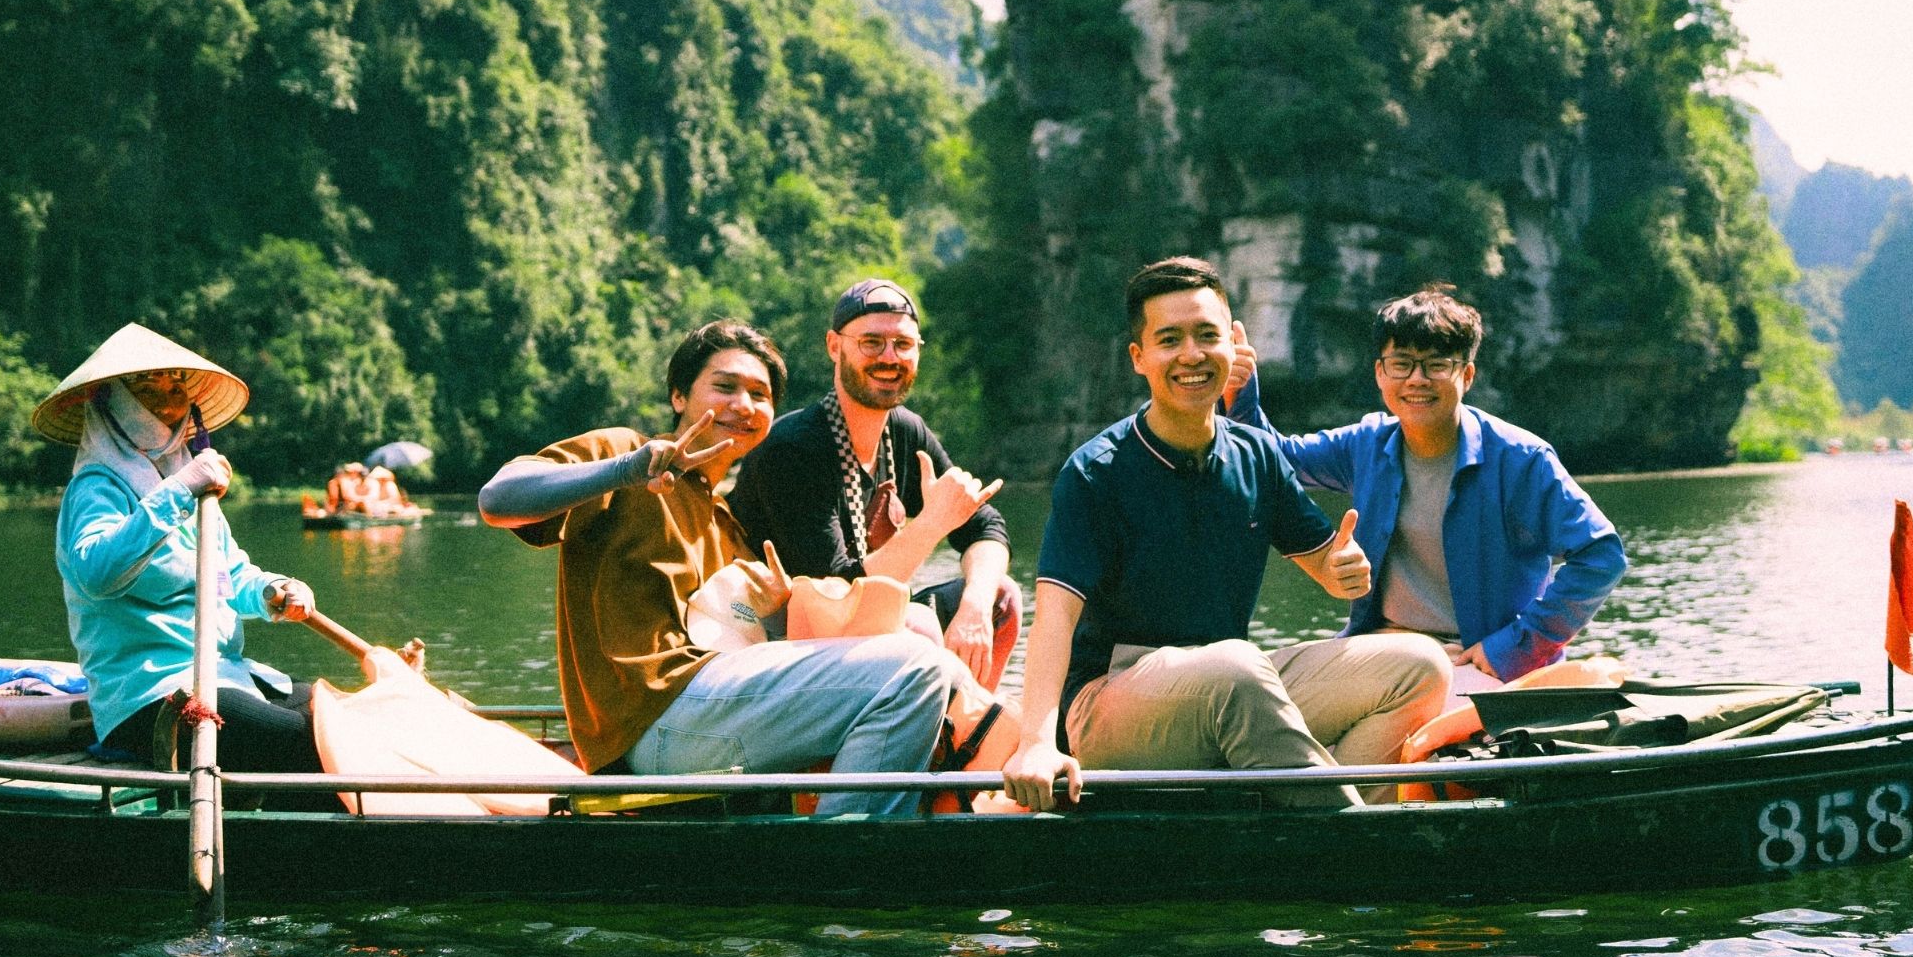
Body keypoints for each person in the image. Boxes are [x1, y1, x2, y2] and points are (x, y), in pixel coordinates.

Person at [1003, 258, 1452, 812]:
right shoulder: (1097, 471)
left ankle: (1321, 815)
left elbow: (1327, 569)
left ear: (1233, 347)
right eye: (1170, 340)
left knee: (1420, 666)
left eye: (1207, 335)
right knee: (1235, 666)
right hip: (1109, 703)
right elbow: (1052, 618)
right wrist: (1035, 744)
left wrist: (1344, 571)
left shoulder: (1256, 455)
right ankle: (1351, 833)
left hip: (1230, 682)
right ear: (1139, 359)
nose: (1191, 354)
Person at [478, 318, 953, 817]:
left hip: (709, 713)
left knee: (917, 633)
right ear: (679, 397)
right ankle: (845, 852)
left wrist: (777, 613)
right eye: (724, 387)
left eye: (760, 395)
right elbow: (498, 498)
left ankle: (855, 825)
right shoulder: (623, 451)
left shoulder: (725, 520)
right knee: (913, 669)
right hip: (653, 723)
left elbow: (743, 636)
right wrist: (630, 470)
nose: (743, 406)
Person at [1225, 283, 1625, 688]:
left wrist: (1516, 645)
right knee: (1253, 690)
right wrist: (1240, 391)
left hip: (1476, 661)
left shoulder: (1520, 460)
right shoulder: (1366, 444)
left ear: (1466, 375)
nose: (1417, 380)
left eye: (1437, 364)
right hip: (1382, 650)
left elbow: (1602, 555)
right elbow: (1274, 459)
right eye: (1401, 364)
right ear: (1380, 373)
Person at [41, 323, 321, 774]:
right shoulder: (97, 487)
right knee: (302, 741)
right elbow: (97, 573)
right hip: (150, 696)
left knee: (338, 713)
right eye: (147, 390)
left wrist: (273, 590)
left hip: (225, 674)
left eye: (176, 387)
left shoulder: (190, 477)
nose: (168, 402)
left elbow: (229, 576)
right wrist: (179, 491)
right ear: (113, 402)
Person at [730, 278, 1019, 689]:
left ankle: (962, 739)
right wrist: (931, 524)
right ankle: (947, 736)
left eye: (903, 344)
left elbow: (986, 525)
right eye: (871, 342)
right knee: (917, 625)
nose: (889, 357)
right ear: (835, 346)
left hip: (863, 629)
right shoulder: (792, 448)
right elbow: (839, 594)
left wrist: (974, 605)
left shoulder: (905, 432)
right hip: (784, 645)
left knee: (1000, 597)